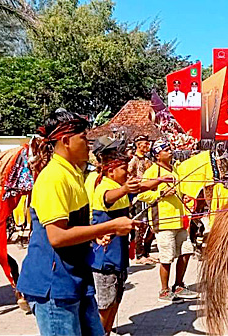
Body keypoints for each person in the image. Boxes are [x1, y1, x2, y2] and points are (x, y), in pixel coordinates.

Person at [17, 110, 139, 336]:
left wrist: (93, 234)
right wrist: (109, 227)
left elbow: (74, 225)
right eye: (83, 138)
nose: (89, 145)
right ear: (65, 141)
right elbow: (57, 237)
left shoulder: (73, 174)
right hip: (54, 286)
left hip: (76, 280)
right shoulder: (54, 177)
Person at [138, 140, 197, 302]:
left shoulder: (174, 169)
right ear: (157, 155)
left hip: (180, 219)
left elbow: (177, 191)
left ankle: (179, 285)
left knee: (186, 251)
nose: (170, 151)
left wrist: (183, 195)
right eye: (166, 150)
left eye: (170, 149)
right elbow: (141, 194)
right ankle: (164, 290)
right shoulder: (152, 171)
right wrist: (160, 193)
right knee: (167, 256)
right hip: (163, 220)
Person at [89, 145, 138, 334]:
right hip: (105, 259)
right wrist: (126, 188)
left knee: (115, 300)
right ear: (111, 171)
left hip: (119, 257)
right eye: (124, 169)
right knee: (105, 304)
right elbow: (108, 198)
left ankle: (106, 332)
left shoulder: (119, 188)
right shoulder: (105, 187)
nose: (128, 172)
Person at [128, 135, 157, 265]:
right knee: (141, 224)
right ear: (138, 145)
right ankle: (139, 254)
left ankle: (146, 252)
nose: (147, 146)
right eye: (145, 144)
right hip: (138, 196)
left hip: (149, 194)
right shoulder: (133, 160)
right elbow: (128, 175)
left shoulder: (147, 160)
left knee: (151, 225)